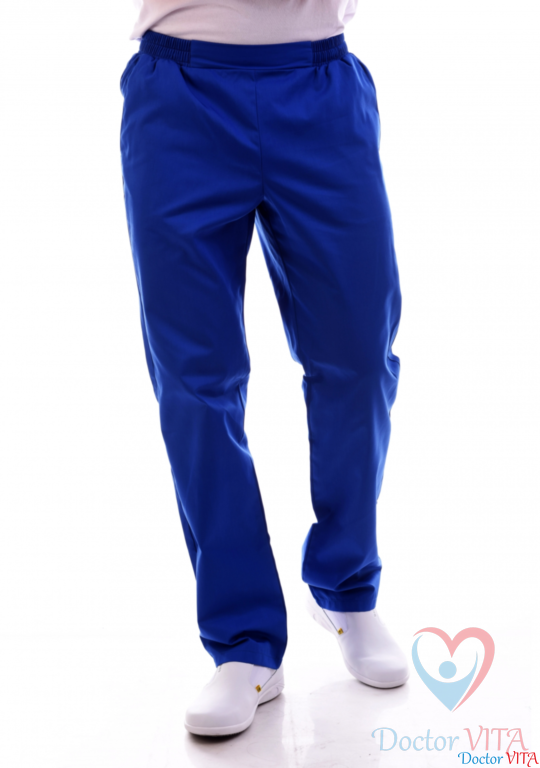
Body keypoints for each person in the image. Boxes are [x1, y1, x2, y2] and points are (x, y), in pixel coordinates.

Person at [120, 0, 409, 738]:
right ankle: (244, 641)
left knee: (358, 356)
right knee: (195, 382)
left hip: (318, 84)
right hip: (180, 93)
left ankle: (345, 585)